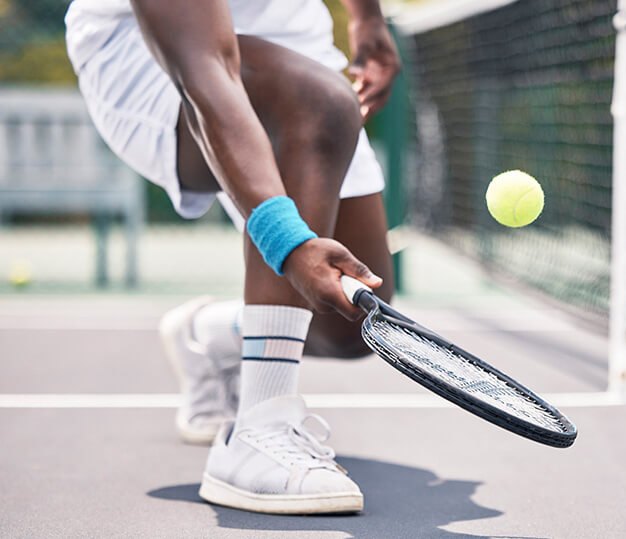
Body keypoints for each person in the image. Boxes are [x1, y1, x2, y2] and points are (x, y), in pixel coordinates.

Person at [64, 0, 401, 515]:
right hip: (149, 55)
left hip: (292, 40)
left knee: (356, 325)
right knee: (318, 100)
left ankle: (212, 335)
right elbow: (206, 72)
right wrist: (288, 244)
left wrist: (367, 19)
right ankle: (257, 430)